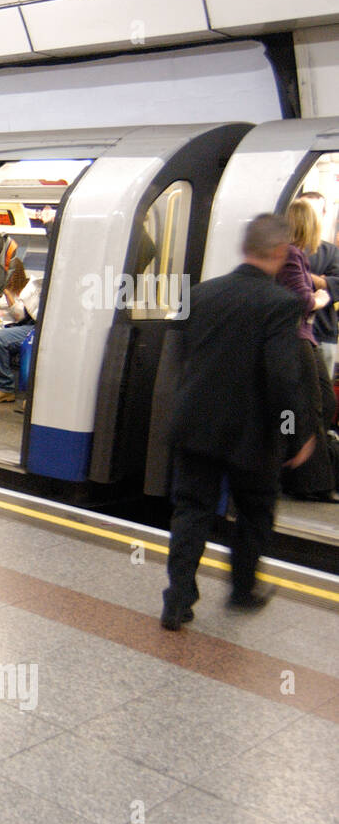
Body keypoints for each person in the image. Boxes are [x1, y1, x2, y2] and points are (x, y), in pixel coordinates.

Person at [160, 214, 316, 630]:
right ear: (280, 252)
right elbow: (282, 379)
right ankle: (242, 590)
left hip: (194, 425)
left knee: (191, 511)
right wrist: (294, 435)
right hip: (253, 436)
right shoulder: (281, 304)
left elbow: (181, 359)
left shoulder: (200, 294)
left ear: (246, 248)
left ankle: (177, 600)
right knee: (254, 512)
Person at [276, 200, 336, 501]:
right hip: (296, 338)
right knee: (311, 407)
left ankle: (302, 473)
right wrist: (322, 298)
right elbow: (302, 300)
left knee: (322, 401)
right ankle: (310, 483)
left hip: (304, 337)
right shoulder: (290, 254)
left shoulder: (295, 255)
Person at [297, 191, 339, 379]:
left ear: (323, 215)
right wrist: (321, 281)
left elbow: (336, 286)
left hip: (322, 333)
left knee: (323, 392)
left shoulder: (331, 252)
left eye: (313, 213)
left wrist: (301, 275)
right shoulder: (285, 250)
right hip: (291, 333)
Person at [0, 259, 40, 404]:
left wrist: (7, 292)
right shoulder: (0, 289)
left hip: (31, 326)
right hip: (9, 324)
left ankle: (5, 388)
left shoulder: (28, 290)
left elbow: (19, 315)